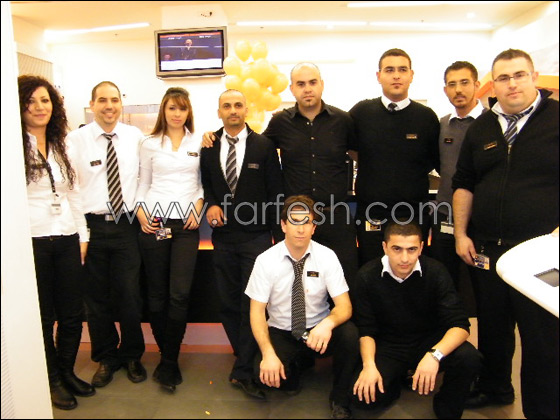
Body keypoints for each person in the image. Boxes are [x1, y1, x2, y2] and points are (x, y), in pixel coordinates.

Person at [452, 49, 559, 419]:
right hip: (488, 250)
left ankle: (543, 410)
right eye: (503, 78)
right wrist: (461, 233)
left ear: (534, 77)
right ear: (492, 85)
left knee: (542, 336)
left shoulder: (556, 119)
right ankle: (496, 388)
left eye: (519, 75)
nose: (512, 84)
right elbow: (464, 183)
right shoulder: (482, 127)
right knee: (493, 327)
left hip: (541, 254)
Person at [204, 63, 359, 300]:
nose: (307, 89)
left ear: (322, 85)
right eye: (301, 84)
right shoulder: (280, 122)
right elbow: (253, 149)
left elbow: (360, 155)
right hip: (296, 221)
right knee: (298, 288)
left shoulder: (343, 120)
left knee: (344, 286)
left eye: (312, 82)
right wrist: (214, 136)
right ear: (292, 89)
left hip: (336, 217)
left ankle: (341, 325)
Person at [200, 89, 283, 399]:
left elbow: (276, 192)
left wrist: (277, 238)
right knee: (227, 301)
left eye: (238, 105)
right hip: (223, 237)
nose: (233, 110)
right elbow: (207, 183)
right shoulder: (209, 146)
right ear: (219, 111)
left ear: (246, 109)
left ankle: (245, 368)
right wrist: (211, 203)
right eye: (227, 106)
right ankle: (244, 355)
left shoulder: (263, 145)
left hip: (257, 237)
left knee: (253, 303)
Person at [18, 75, 95, 410]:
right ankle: (50, 379)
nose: (39, 107)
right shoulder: (12, 146)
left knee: (73, 314)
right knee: (44, 317)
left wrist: (83, 235)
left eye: (45, 100)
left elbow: (73, 194)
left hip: (66, 237)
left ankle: (67, 371)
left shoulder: (62, 144)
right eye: (31, 101)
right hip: (32, 241)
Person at [352, 221, 481, 419]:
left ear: (421, 248)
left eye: (412, 250)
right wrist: (369, 366)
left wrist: (434, 356)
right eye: (397, 249)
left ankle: (446, 407)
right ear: (385, 247)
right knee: (363, 399)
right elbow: (366, 330)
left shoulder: (436, 271)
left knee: (469, 357)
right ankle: (395, 382)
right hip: (389, 346)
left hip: (428, 342)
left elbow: (460, 325)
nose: (405, 258)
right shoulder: (367, 276)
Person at [246, 195, 359, 419]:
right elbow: (256, 311)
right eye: (294, 222)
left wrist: (327, 324)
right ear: (283, 225)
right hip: (282, 330)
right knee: (265, 375)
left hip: (318, 330)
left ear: (314, 227)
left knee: (350, 335)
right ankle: (297, 366)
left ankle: (339, 398)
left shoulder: (327, 256)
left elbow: (345, 306)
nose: (300, 229)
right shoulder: (266, 260)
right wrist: (268, 354)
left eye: (306, 222)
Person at [66, 81, 146, 388]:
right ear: (92, 104)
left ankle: (132, 355)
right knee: (96, 298)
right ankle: (106, 357)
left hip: (127, 225)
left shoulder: (135, 137)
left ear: (121, 104)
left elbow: (146, 176)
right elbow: (72, 189)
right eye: (102, 100)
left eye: (114, 100)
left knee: (129, 294)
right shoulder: (75, 140)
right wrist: (81, 234)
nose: (109, 106)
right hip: (93, 227)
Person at [135, 87, 204, 392]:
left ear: (189, 112)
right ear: (163, 110)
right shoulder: (148, 143)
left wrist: (199, 207)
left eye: (182, 108)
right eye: (172, 108)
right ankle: (167, 357)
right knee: (156, 294)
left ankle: (170, 359)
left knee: (180, 294)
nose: (177, 114)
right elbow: (143, 183)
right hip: (155, 223)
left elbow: (202, 184)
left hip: (186, 225)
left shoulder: (199, 142)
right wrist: (140, 212)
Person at [349, 48, 440, 266]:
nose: (396, 76)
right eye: (389, 70)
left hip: (413, 213)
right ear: (379, 76)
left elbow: (432, 159)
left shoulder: (426, 117)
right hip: (371, 212)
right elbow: (351, 150)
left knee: (410, 269)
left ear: (411, 75)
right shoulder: (361, 113)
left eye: (402, 70)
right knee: (371, 269)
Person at [430, 61, 486, 291]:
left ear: (477, 85)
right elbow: (439, 164)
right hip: (445, 215)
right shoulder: (442, 125)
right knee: (444, 282)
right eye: (452, 85)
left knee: (482, 284)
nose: (458, 90)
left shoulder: (491, 123)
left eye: (464, 83)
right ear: (445, 90)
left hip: (481, 220)